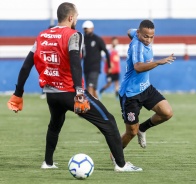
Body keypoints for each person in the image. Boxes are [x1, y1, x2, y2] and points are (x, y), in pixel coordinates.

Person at [7, 2, 142, 172]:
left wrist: (18, 93)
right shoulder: (73, 35)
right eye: (76, 17)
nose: (76, 19)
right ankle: (121, 165)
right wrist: (79, 92)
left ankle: (47, 163)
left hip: (52, 94)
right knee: (108, 122)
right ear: (71, 17)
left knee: (55, 124)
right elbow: (75, 63)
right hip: (70, 92)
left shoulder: (42, 36)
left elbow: (26, 65)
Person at [117, 19, 176, 152]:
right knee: (131, 132)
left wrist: (135, 33)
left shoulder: (136, 34)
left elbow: (129, 31)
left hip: (145, 88)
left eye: (151, 37)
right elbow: (138, 67)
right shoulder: (137, 46)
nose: (148, 40)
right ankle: (116, 156)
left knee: (167, 112)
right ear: (139, 33)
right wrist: (158, 62)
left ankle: (142, 128)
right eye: (145, 36)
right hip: (131, 93)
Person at [82, 20, 111, 98]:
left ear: (92, 28)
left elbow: (106, 52)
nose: (86, 30)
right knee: (93, 90)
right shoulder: (82, 40)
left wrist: (109, 66)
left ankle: (91, 108)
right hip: (86, 68)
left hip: (94, 68)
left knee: (90, 88)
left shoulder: (97, 39)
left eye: (87, 28)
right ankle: (98, 108)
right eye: (85, 28)